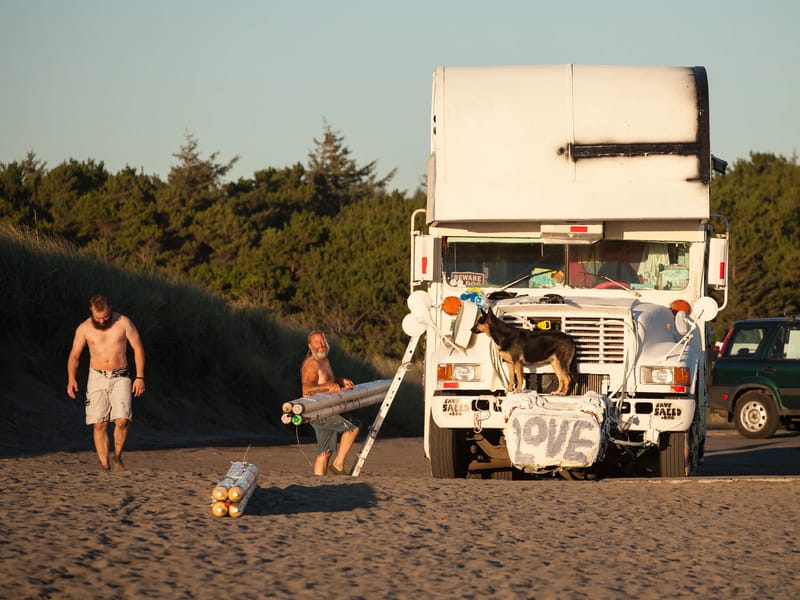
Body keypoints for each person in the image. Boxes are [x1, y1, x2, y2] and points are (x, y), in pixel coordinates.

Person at [67, 295, 146, 471]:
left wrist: (139, 376)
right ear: (92, 311)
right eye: (98, 317)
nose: (102, 321)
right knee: (99, 423)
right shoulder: (84, 328)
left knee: (123, 420)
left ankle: (117, 455)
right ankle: (105, 465)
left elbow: (138, 348)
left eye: (105, 317)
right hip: (96, 376)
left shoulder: (123, 322)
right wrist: (71, 378)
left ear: (110, 308)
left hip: (121, 375)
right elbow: (74, 355)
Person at [300, 330, 360, 476]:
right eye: (317, 342)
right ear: (310, 345)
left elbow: (327, 380)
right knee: (353, 427)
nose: (321, 345)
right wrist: (327, 387)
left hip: (327, 408)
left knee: (325, 451)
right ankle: (338, 465)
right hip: (317, 409)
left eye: (323, 341)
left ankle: (319, 482)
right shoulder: (311, 364)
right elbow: (306, 389)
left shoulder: (324, 360)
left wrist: (340, 381)